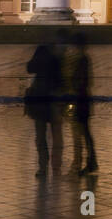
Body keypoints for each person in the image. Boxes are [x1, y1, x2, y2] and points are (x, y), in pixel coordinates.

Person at [25, 44, 64, 178]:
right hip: (53, 99)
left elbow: (29, 68)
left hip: (41, 100)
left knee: (41, 136)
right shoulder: (57, 56)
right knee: (56, 135)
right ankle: (56, 165)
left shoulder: (42, 51)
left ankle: (43, 166)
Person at [65, 33, 98, 175]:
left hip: (78, 100)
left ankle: (81, 163)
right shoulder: (83, 58)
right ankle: (90, 162)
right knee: (84, 133)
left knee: (79, 133)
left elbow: (79, 81)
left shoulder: (79, 59)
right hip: (83, 100)